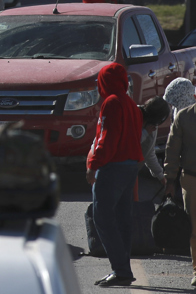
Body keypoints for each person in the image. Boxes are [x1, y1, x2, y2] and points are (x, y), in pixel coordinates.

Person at [87, 62, 144, 287]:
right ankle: (123, 268)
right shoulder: (130, 103)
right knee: (122, 219)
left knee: (102, 217)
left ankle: (120, 269)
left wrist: (93, 164)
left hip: (113, 166)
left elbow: (107, 139)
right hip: (130, 166)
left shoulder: (111, 102)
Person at [163, 77, 196, 287]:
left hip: (190, 179)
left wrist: (169, 180)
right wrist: (170, 177)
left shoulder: (183, 117)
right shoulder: (183, 117)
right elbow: (172, 151)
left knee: (195, 227)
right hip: (190, 178)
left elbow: (172, 151)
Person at [140, 97, 171, 188]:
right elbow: (127, 143)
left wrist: (160, 175)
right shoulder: (133, 116)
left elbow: (149, 153)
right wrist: (144, 133)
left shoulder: (152, 127)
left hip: (130, 170)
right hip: (115, 167)